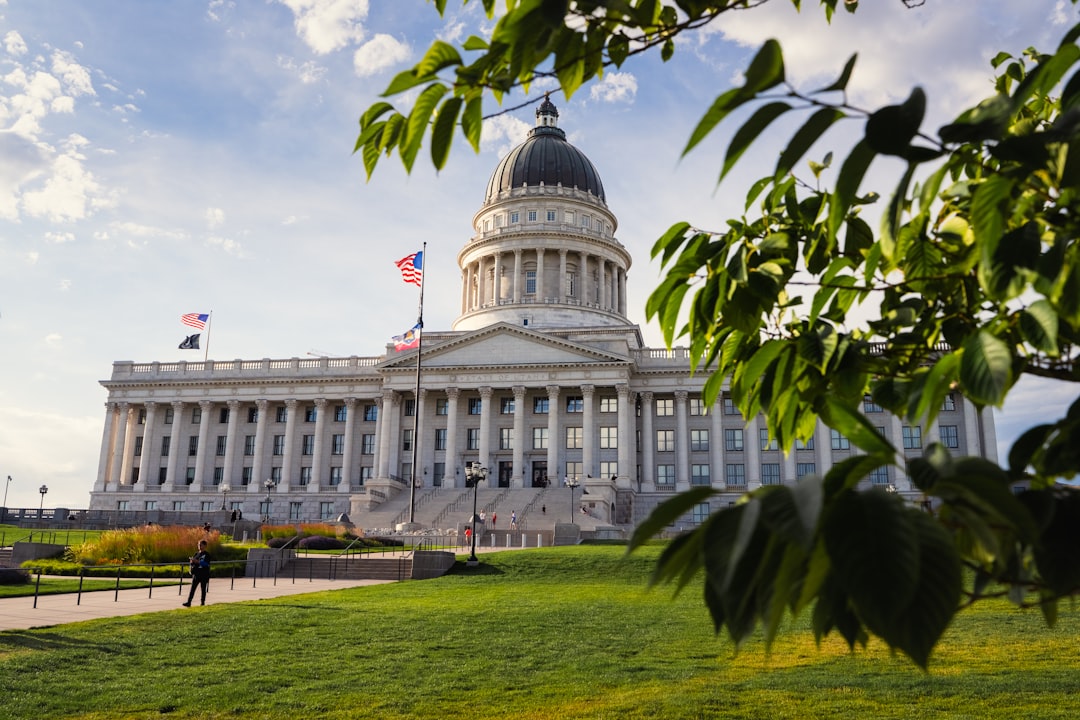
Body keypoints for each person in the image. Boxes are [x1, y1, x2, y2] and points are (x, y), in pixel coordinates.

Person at [183, 539, 211, 607]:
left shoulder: (207, 555)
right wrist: (192, 562)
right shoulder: (196, 554)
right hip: (196, 574)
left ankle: (202, 602)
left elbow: (206, 564)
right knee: (192, 589)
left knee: (203, 589)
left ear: (205, 546)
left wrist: (197, 562)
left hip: (204, 574)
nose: (199, 546)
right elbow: (193, 563)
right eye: (198, 545)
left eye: (200, 545)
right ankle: (189, 602)